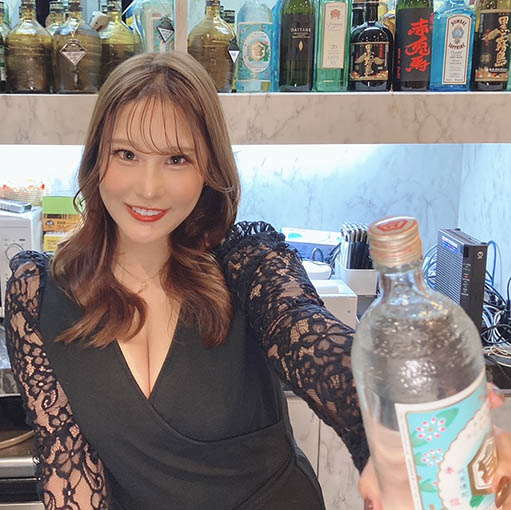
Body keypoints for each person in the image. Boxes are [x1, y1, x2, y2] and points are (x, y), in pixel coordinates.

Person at [4, 51, 511, 510]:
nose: (149, 187)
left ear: (208, 168)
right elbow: (69, 468)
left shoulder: (247, 262)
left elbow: (313, 341)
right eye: (126, 154)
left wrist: (412, 426)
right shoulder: (38, 295)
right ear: (96, 157)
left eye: (177, 159)